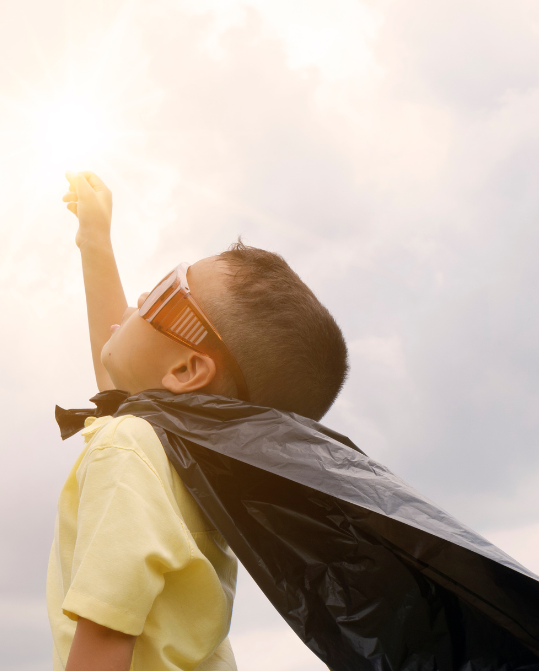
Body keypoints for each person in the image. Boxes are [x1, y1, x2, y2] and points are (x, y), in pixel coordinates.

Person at [48, 171, 349, 671]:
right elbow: (118, 363)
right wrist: (94, 238)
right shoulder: (190, 457)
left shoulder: (130, 446)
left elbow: (106, 634)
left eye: (165, 293)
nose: (141, 297)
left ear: (187, 370)